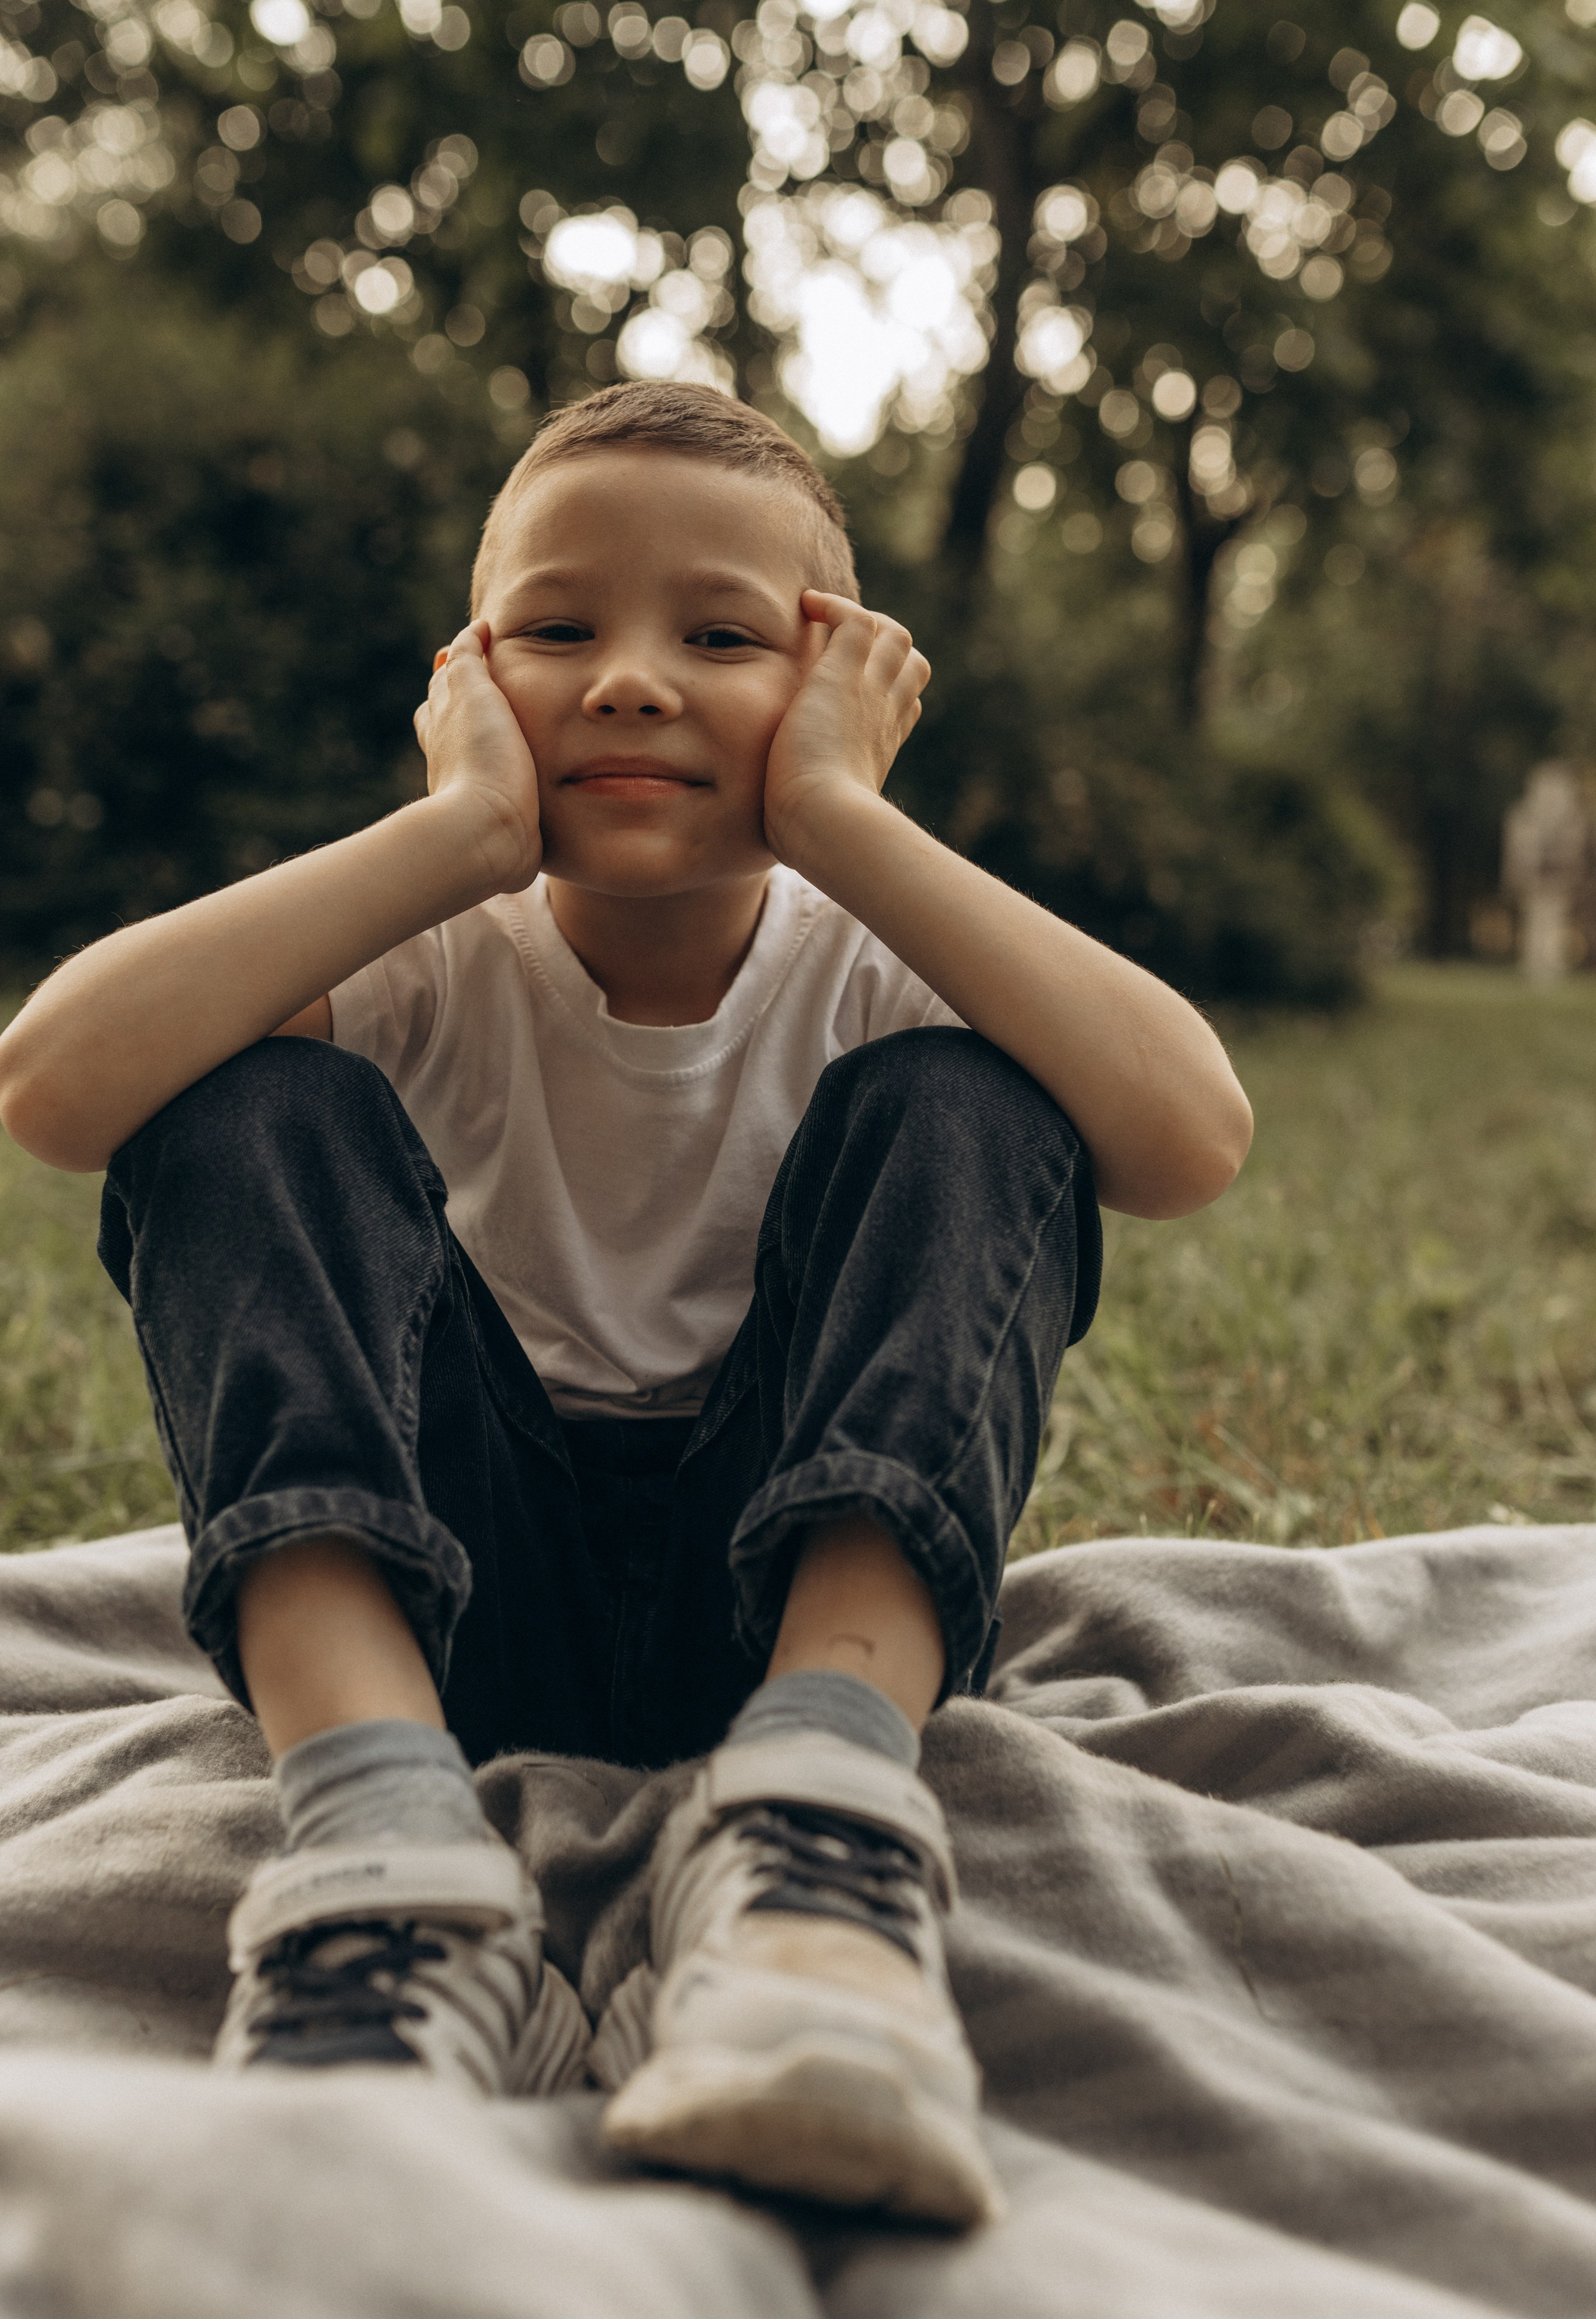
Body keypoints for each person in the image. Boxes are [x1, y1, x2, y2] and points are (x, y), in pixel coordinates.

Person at [0, 382, 1252, 2227]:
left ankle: (810, 1860)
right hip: (449, 1618)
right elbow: (54, 1088)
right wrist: (450, 839)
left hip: (792, 1609)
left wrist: (837, 816)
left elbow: (1188, 1137)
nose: (634, 679)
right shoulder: (427, 947)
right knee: (240, 1101)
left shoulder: (881, 961)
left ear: (846, 678)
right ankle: (390, 1873)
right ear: (467, 677)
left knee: (983, 1101)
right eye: (560, 629)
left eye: (724, 635)